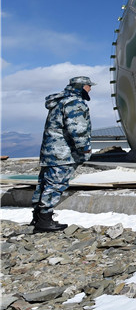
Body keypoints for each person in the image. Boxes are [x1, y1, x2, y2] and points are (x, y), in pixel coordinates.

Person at [30, 76, 95, 233]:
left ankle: (38, 217)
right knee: (55, 185)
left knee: (44, 184)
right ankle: (45, 221)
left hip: (50, 152)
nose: (90, 89)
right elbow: (77, 129)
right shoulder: (75, 103)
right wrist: (85, 148)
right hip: (63, 154)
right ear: (82, 87)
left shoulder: (59, 101)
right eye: (89, 86)